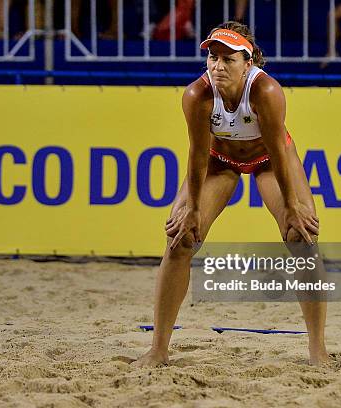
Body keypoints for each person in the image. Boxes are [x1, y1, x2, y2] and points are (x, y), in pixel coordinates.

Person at [133, 21, 328, 368]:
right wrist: (191, 208)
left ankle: (318, 350)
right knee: (180, 237)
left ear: (248, 63)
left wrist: (293, 208)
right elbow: (196, 155)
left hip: (269, 160)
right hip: (218, 162)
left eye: (228, 58)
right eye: (212, 56)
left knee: (302, 236)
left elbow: (279, 154)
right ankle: (158, 349)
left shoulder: (266, 91)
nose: (218, 65)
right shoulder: (197, 95)